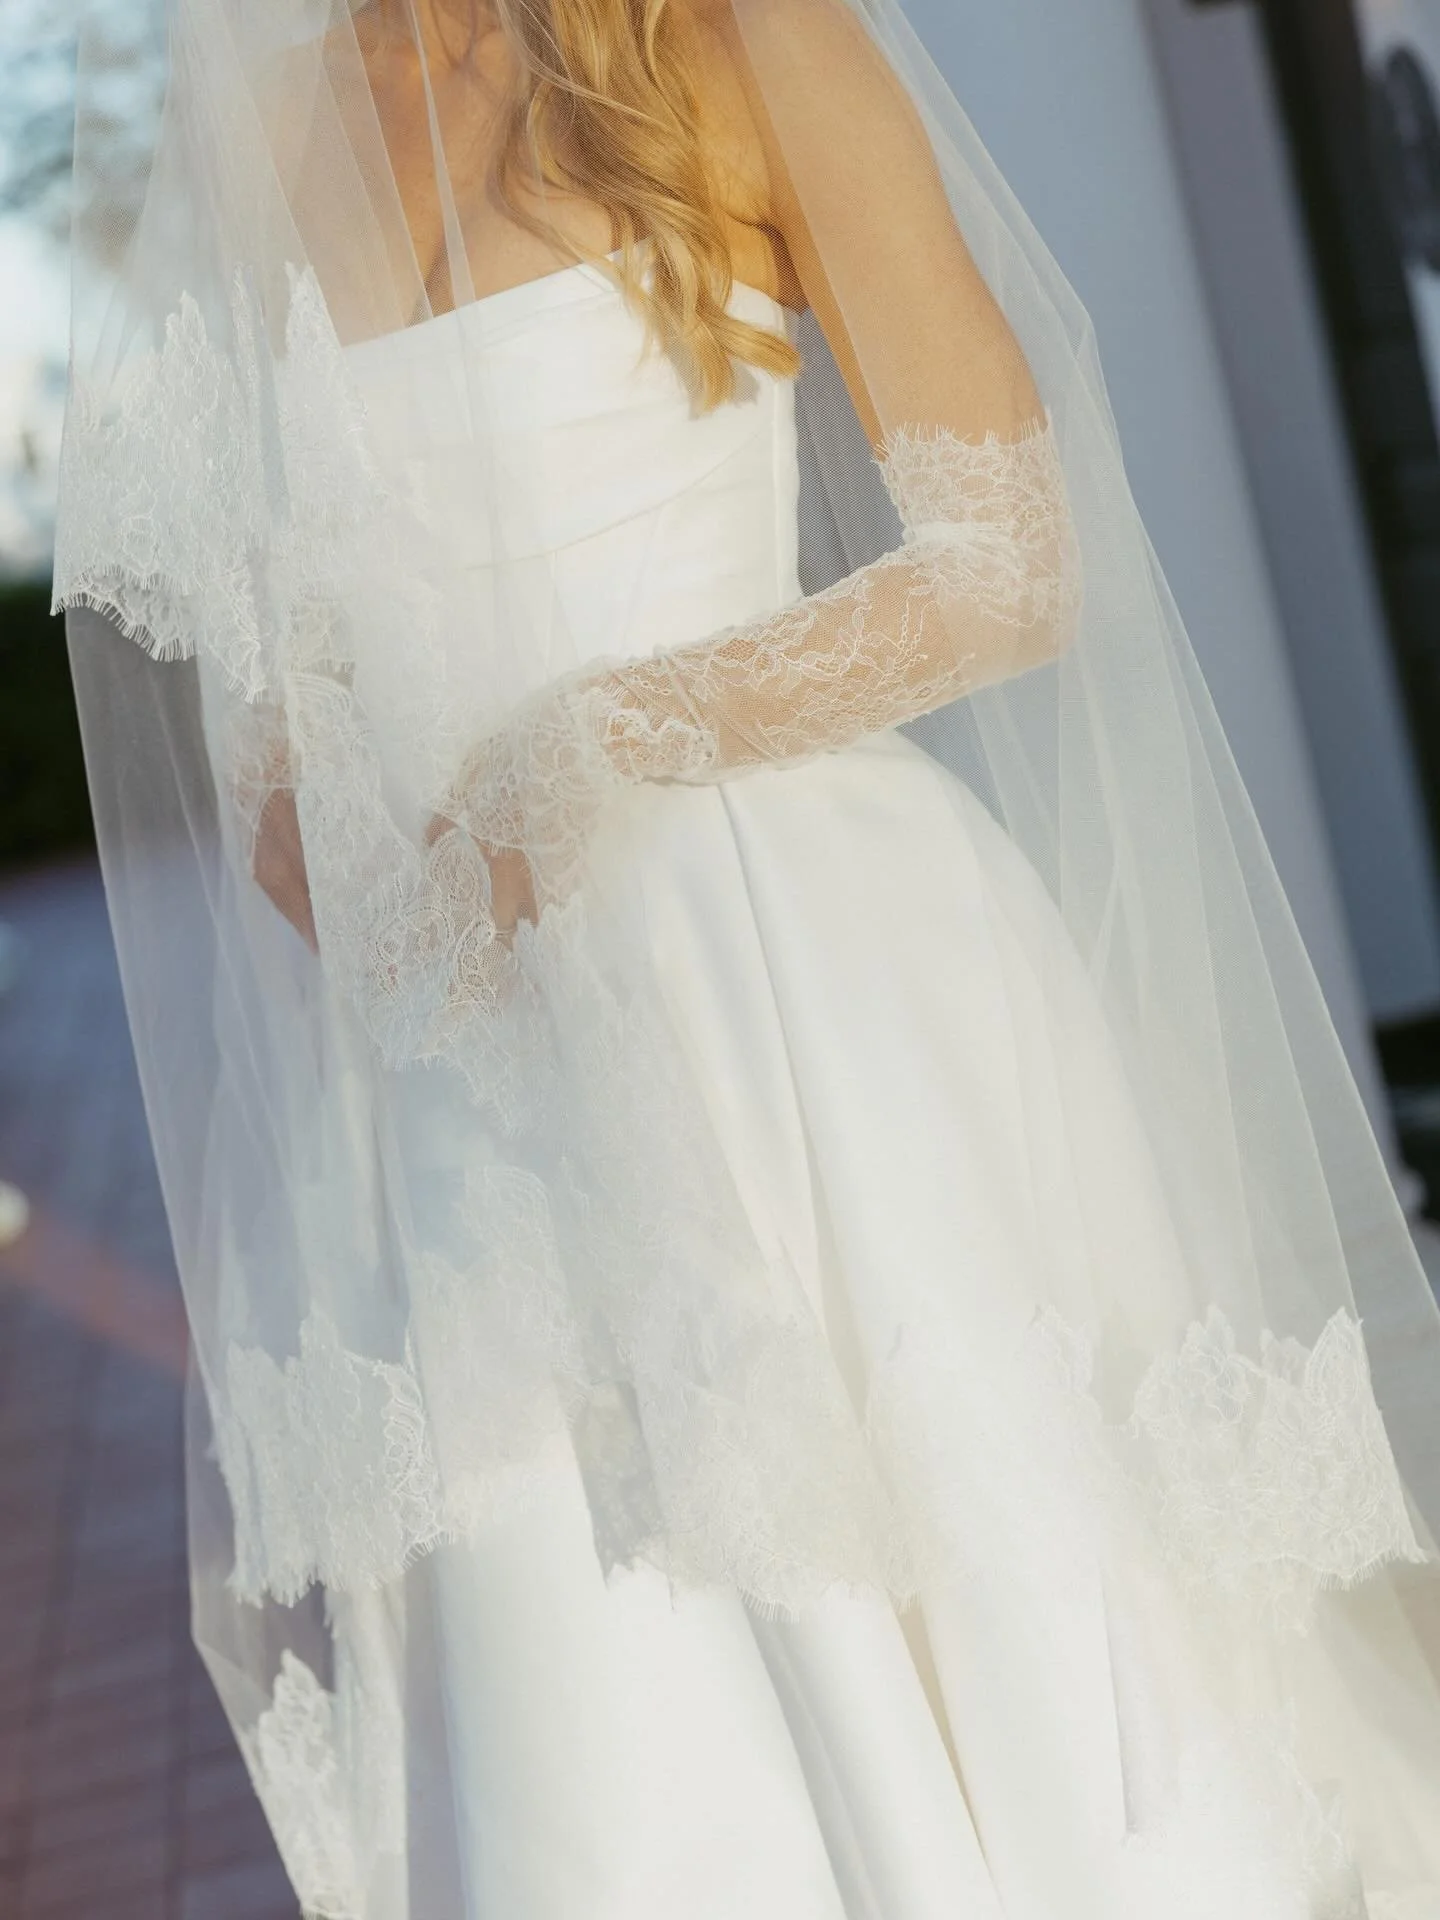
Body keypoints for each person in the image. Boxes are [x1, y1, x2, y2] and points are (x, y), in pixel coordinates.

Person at [52, 0, 1440, 1913]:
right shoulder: (260, 143)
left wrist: (596, 743)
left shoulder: (741, 39)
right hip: (463, 1097)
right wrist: (353, 862)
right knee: (595, 1709)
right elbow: (270, 681)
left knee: (987, 1635)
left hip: (805, 1006)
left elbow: (1006, 557)